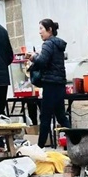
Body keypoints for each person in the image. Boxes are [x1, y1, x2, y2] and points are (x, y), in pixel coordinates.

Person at [27, 19, 70, 149]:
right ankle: (76, 141)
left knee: (45, 117)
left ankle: (39, 147)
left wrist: (33, 56)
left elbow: (42, 61)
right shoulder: (58, 45)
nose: (40, 32)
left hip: (50, 85)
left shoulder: (47, 44)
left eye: (41, 28)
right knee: (61, 117)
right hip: (60, 84)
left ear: (49, 29)